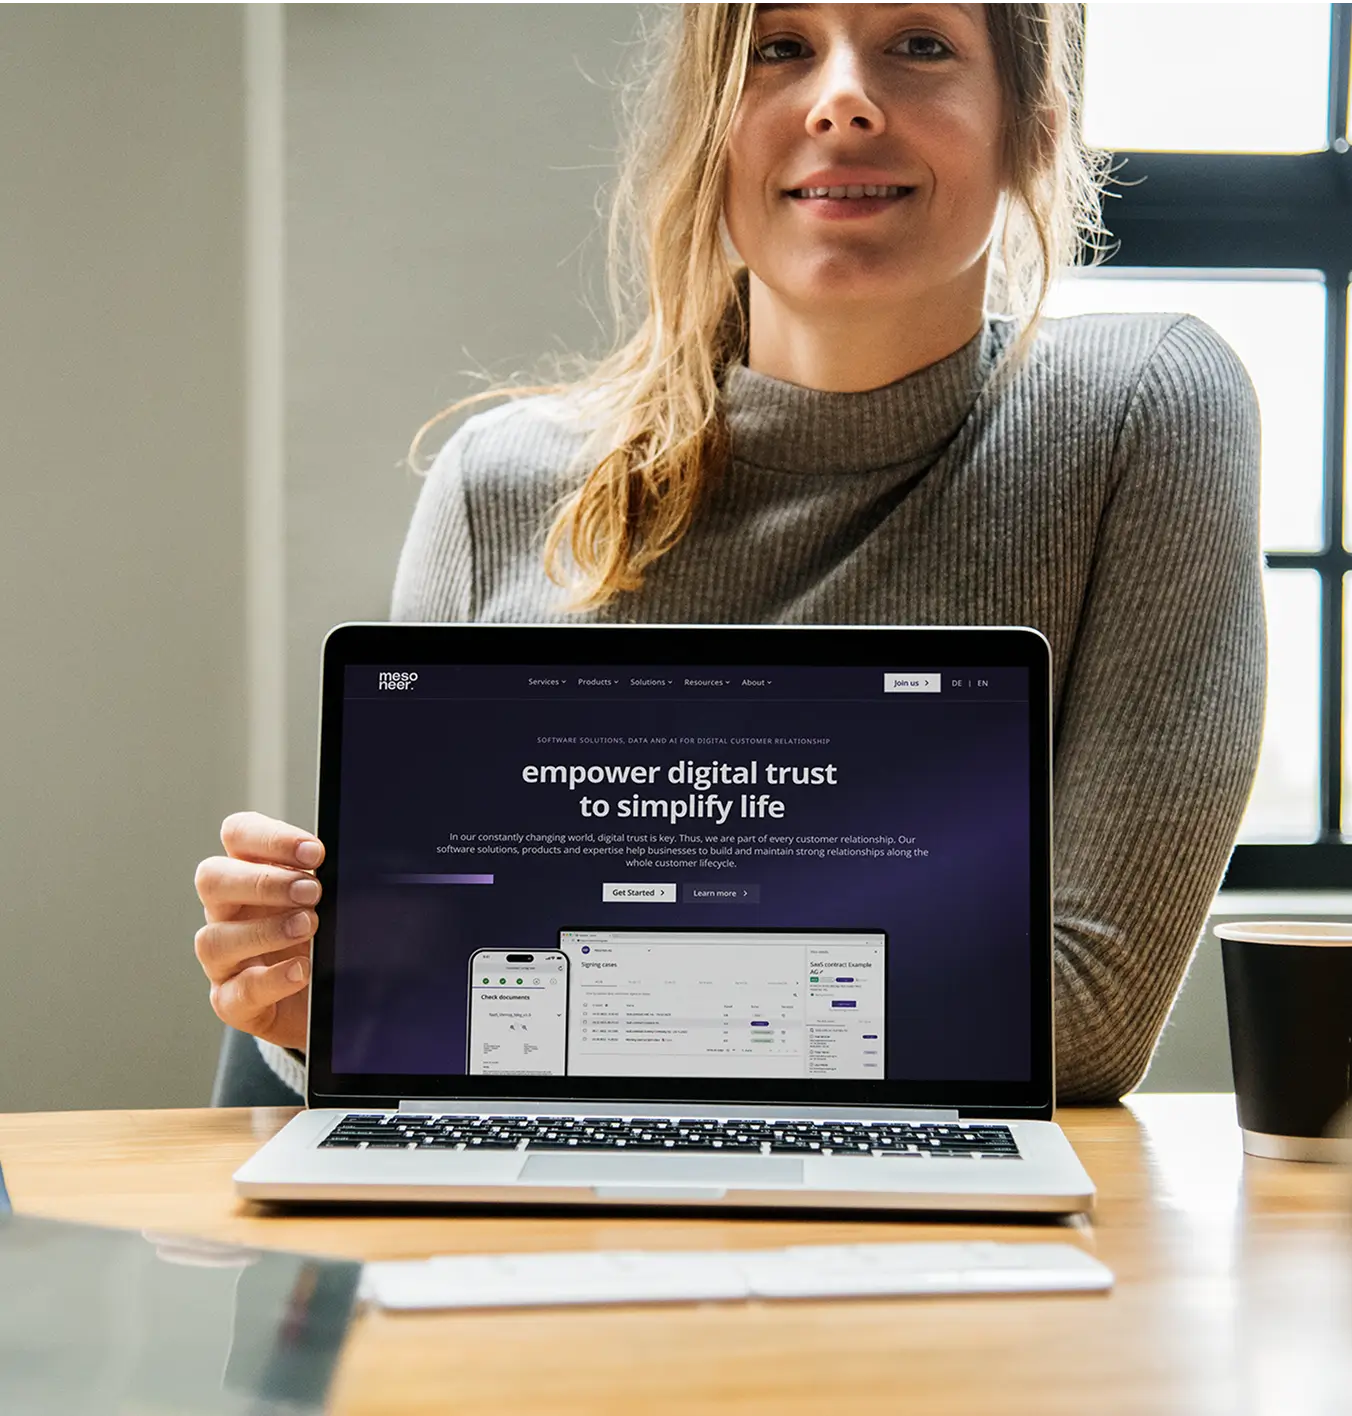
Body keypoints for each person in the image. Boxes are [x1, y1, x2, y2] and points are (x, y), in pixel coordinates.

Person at [194, 1, 1264, 1104]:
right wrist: (317, 1002)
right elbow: (405, 991)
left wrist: (496, 1000)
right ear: (706, 132)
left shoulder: (1141, 414)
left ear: (1031, 131)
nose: (842, 101)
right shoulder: (493, 482)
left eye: (920, 44)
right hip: (537, 1195)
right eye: (779, 48)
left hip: (911, 1206)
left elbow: (1084, 1014)